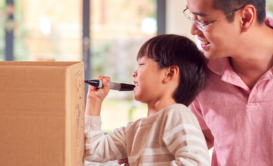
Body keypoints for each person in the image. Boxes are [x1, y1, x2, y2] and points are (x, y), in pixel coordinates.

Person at [177, 0, 273, 165]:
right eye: (192, 17)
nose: (193, 30)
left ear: (246, 18)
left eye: (203, 20)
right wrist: (147, 150)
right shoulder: (198, 71)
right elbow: (202, 136)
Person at [85, 34, 211, 166]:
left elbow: (197, 163)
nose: (134, 72)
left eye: (141, 64)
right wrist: (94, 101)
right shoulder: (134, 131)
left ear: (169, 74)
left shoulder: (177, 115)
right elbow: (93, 151)